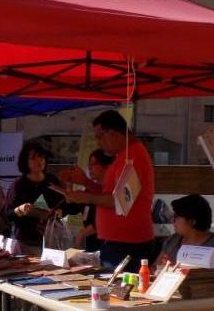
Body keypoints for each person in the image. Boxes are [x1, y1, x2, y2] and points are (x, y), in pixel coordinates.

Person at [63, 109, 155, 270]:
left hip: (129, 243)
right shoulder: (125, 155)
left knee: (120, 285)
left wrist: (86, 197)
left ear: (112, 133)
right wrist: (86, 182)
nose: (98, 143)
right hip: (120, 243)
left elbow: (120, 201)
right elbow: (110, 195)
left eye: (99, 137)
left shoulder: (134, 156)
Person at [5, 141, 64, 253]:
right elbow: (7, 215)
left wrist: (56, 213)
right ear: (25, 161)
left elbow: (65, 206)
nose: (39, 161)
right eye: (33, 158)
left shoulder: (52, 180)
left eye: (41, 157)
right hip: (25, 243)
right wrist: (20, 210)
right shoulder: (18, 185)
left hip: (52, 242)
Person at [73, 149, 115, 251]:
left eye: (93, 164)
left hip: (105, 245)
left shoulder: (112, 191)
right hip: (89, 246)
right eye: (89, 165)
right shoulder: (90, 189)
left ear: (107, 167)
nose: (90, 168)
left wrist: (83, 233)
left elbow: (108, 216)